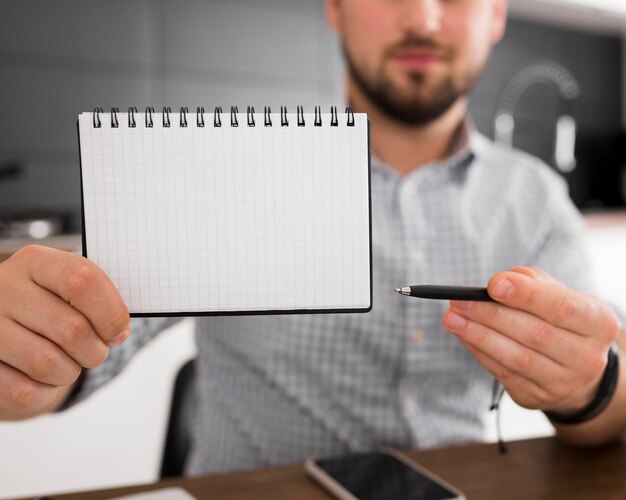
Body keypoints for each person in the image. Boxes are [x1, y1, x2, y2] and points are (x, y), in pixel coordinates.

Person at [1, 0, 625, 475]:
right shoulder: (232, 169)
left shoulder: (535, 197)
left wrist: (590, 387)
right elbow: (83, 352)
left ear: (496, 16)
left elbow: (611, 393)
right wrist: (33, 356)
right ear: (335, 7)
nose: (424, 20)